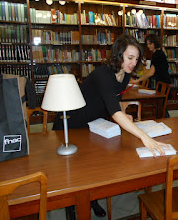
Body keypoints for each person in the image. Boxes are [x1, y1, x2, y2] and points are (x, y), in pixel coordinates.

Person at [53, 34, 168, 219]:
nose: (133, 63)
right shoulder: (103, 74)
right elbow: (114, 111)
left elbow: (114, 103)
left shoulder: (125, 74)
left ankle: (92, 199)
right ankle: (72, 208)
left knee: (92, 166)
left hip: (93, 124)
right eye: (130, 58)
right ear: (118, 55)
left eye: (136, 59)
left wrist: (125, 113)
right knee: (73, 171)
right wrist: (145, 137)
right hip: (72, 123)